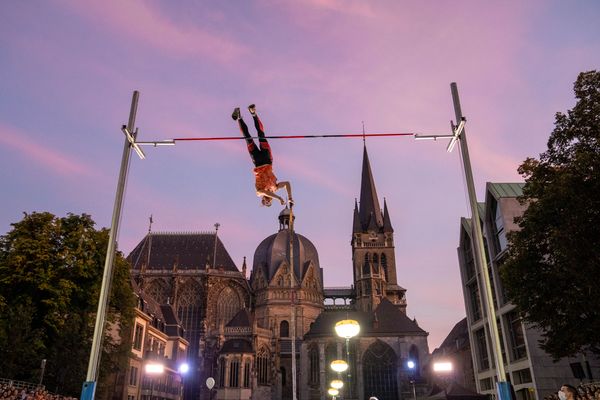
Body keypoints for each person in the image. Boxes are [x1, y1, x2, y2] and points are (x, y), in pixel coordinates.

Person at [232, 104, 293, 207]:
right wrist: (290, 197)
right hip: (267, 158)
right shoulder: (276, 187)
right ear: (271, 201)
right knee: (261, 134)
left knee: (247, 138)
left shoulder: (259, 193)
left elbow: (266, 193)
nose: (267, 201)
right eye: (268, 202)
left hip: (257, 161)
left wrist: (278, 198)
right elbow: (287, 183)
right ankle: (253, 113)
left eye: (265, 202)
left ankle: (239, 117)